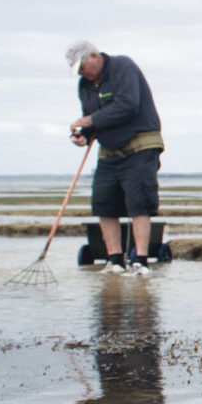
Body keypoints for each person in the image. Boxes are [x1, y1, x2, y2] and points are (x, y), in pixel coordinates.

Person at [67, 39, 164, 277]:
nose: (81, 73)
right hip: (109, 151)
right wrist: (84, 135)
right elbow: (89, 118)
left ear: (93, 57)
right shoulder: (84, 85)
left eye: (82, 67)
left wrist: (90, 121)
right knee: (103, 202)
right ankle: (114, 261)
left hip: (139, 146)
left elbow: (127, 105)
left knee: (139, 202)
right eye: (77, 70)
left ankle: (140, 261)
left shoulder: (122, 67)